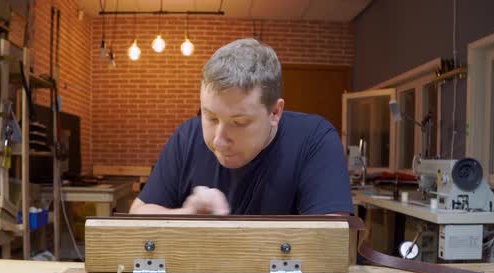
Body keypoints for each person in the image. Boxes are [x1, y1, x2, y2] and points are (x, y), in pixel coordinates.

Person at [130, 38, 352, 215]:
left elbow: (334, 236)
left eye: (239, 122)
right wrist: (187, 215)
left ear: (275, 113)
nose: (218, 140)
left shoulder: (314, 139)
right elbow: (138, 213)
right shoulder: (187, 136)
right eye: (211, 117)